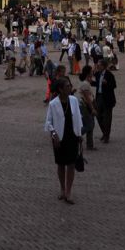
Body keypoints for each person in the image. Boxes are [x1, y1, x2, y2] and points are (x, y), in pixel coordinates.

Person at [44, 76, 83, 205]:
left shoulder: (74, 100)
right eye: (67, 86)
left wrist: (79, 133)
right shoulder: (53, 104)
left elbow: (78, 116)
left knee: (71, 164)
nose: (70, 87)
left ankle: (68, 191)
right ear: (61, 89)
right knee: (61, 164)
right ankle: (62, 188)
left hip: (72, 136)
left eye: (70, 85)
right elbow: (49, 122)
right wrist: (53, 133)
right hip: (59, 138)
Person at [94, 59, 117, 143]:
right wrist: (90, 82)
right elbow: (97, 84)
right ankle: (104, 132)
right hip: (99, 97)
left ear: (103, 66)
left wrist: (106, 83)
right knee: (98, 115)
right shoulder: (97, 74)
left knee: (107, 118)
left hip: (107, 99)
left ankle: (106, 135)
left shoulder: (109, 75)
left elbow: (114, 85)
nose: (97, 66)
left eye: (99, 65)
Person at [77, 65, 97, 151]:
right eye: (91, 71)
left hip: (85, 106)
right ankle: (75, 136)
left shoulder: (86, 82)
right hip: (84, 106)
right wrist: (92, 108)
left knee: (90, 124)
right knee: (89, 125)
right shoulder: (85, 84)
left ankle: (90, 144)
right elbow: (87, 98)